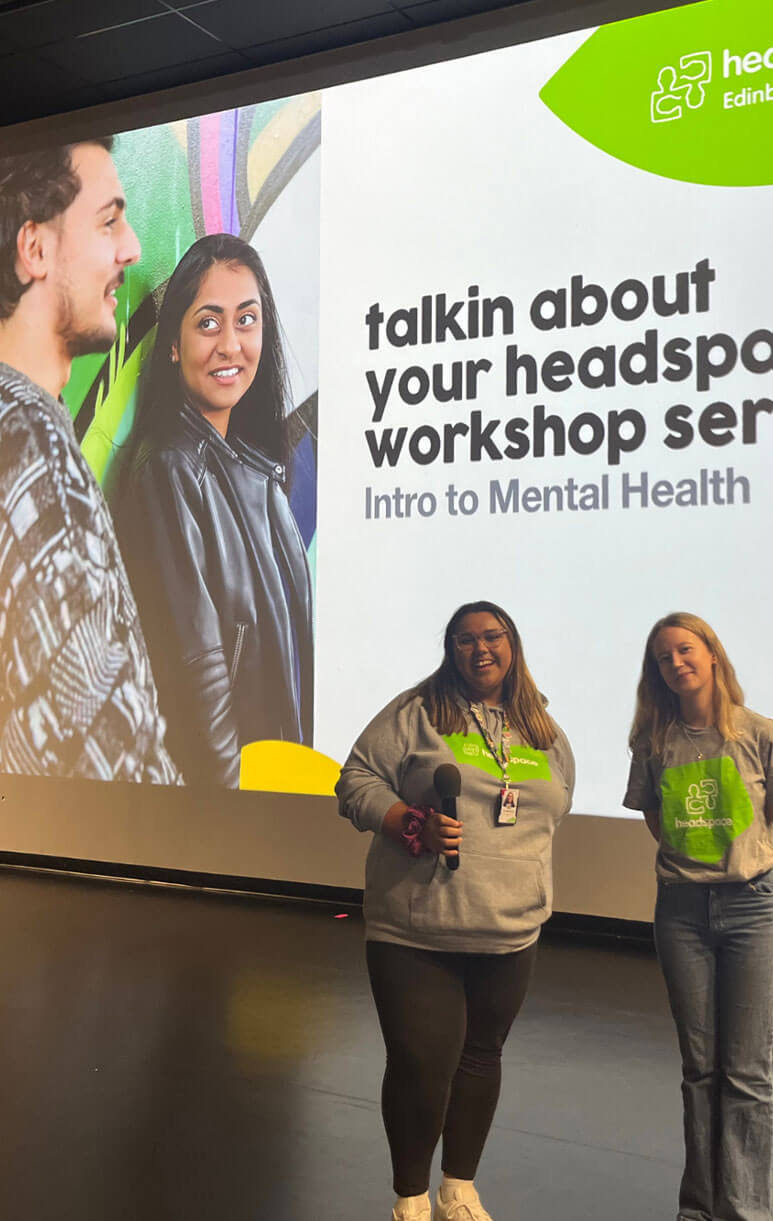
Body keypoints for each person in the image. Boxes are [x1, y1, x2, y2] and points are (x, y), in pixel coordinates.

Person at [337, 601, 575, 1221]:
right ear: (450, 650)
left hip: (510, 929)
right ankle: (411, 1197)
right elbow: (355, 780)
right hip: (417, 927)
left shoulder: (541, 728)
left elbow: (556, 803)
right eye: (464, 640)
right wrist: (408, 822)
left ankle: (459, 1188)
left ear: (513, 645)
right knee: (420, 1063)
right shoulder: (416, 713)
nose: (480, 649)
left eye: (492, 636)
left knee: (480, 1057)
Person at [0, 138, 178, 783]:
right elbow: (106, 748)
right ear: (35, 250)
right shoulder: (33, 437)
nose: (131, 248)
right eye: (108, 222)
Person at [118, 233, 314, 788]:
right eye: (208, 322)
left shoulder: (259, 473)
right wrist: (234, 813)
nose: (231, 344)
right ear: (174, 344)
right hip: (233, 810)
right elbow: (197, 672)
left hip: (276, 790)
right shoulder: (171, 468)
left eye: (246, 320)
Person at [623, 612, 773, 1221]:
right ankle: (698, 1208)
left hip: (753, 908)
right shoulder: (653, 740)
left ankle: (745, 1210)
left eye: (685, 650)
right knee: (700, 1070)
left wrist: (740, 863)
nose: (676, 664)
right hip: (682, 913)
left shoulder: (760, 733)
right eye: (663, 657)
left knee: (748, 1071)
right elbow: (651, 815)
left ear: (712, 654)